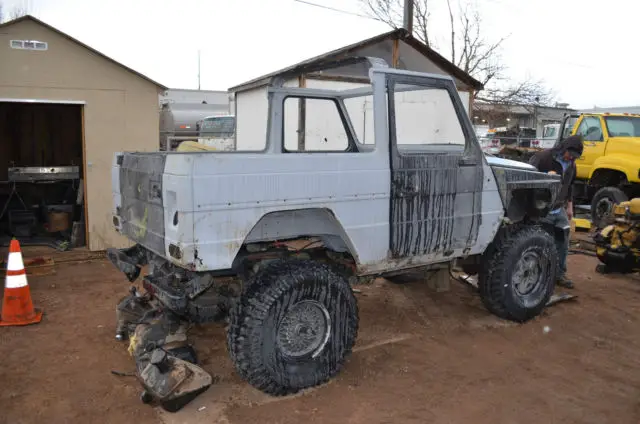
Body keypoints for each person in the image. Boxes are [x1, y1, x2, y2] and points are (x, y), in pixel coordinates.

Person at [529, 135, 584, 289]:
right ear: (564, 148)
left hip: (558, 209)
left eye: (575, 157)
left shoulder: (572, 165)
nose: (571, 158)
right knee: (542, 243)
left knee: (562, 242)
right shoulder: (543, 158)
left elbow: (570, 185)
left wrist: (570, 206)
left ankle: (559, 273)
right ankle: (538, 274)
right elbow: (527, 179)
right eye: (570, 154)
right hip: (542, 210)